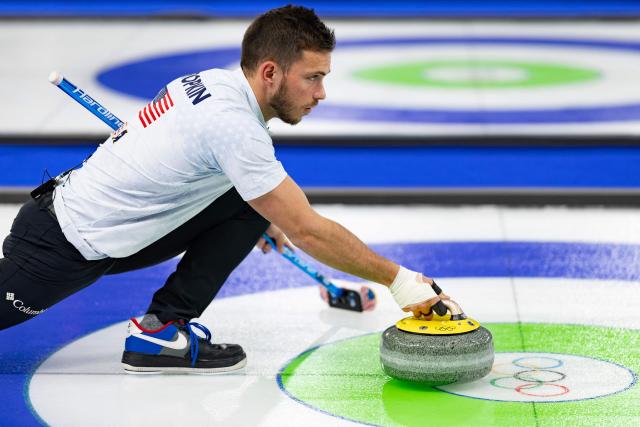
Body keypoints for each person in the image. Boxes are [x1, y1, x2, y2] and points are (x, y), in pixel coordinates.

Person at [0, 5, 447, 373]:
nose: (322, 92)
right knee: (267, 202)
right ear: (270, 72)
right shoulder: (235, 129)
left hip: (110, 231)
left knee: (254, 203)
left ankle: (161, 330)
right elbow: (308, 230)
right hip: (61, 244)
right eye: (313, 77)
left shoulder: (215, 83)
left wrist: (255, 215)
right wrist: (398, 280)